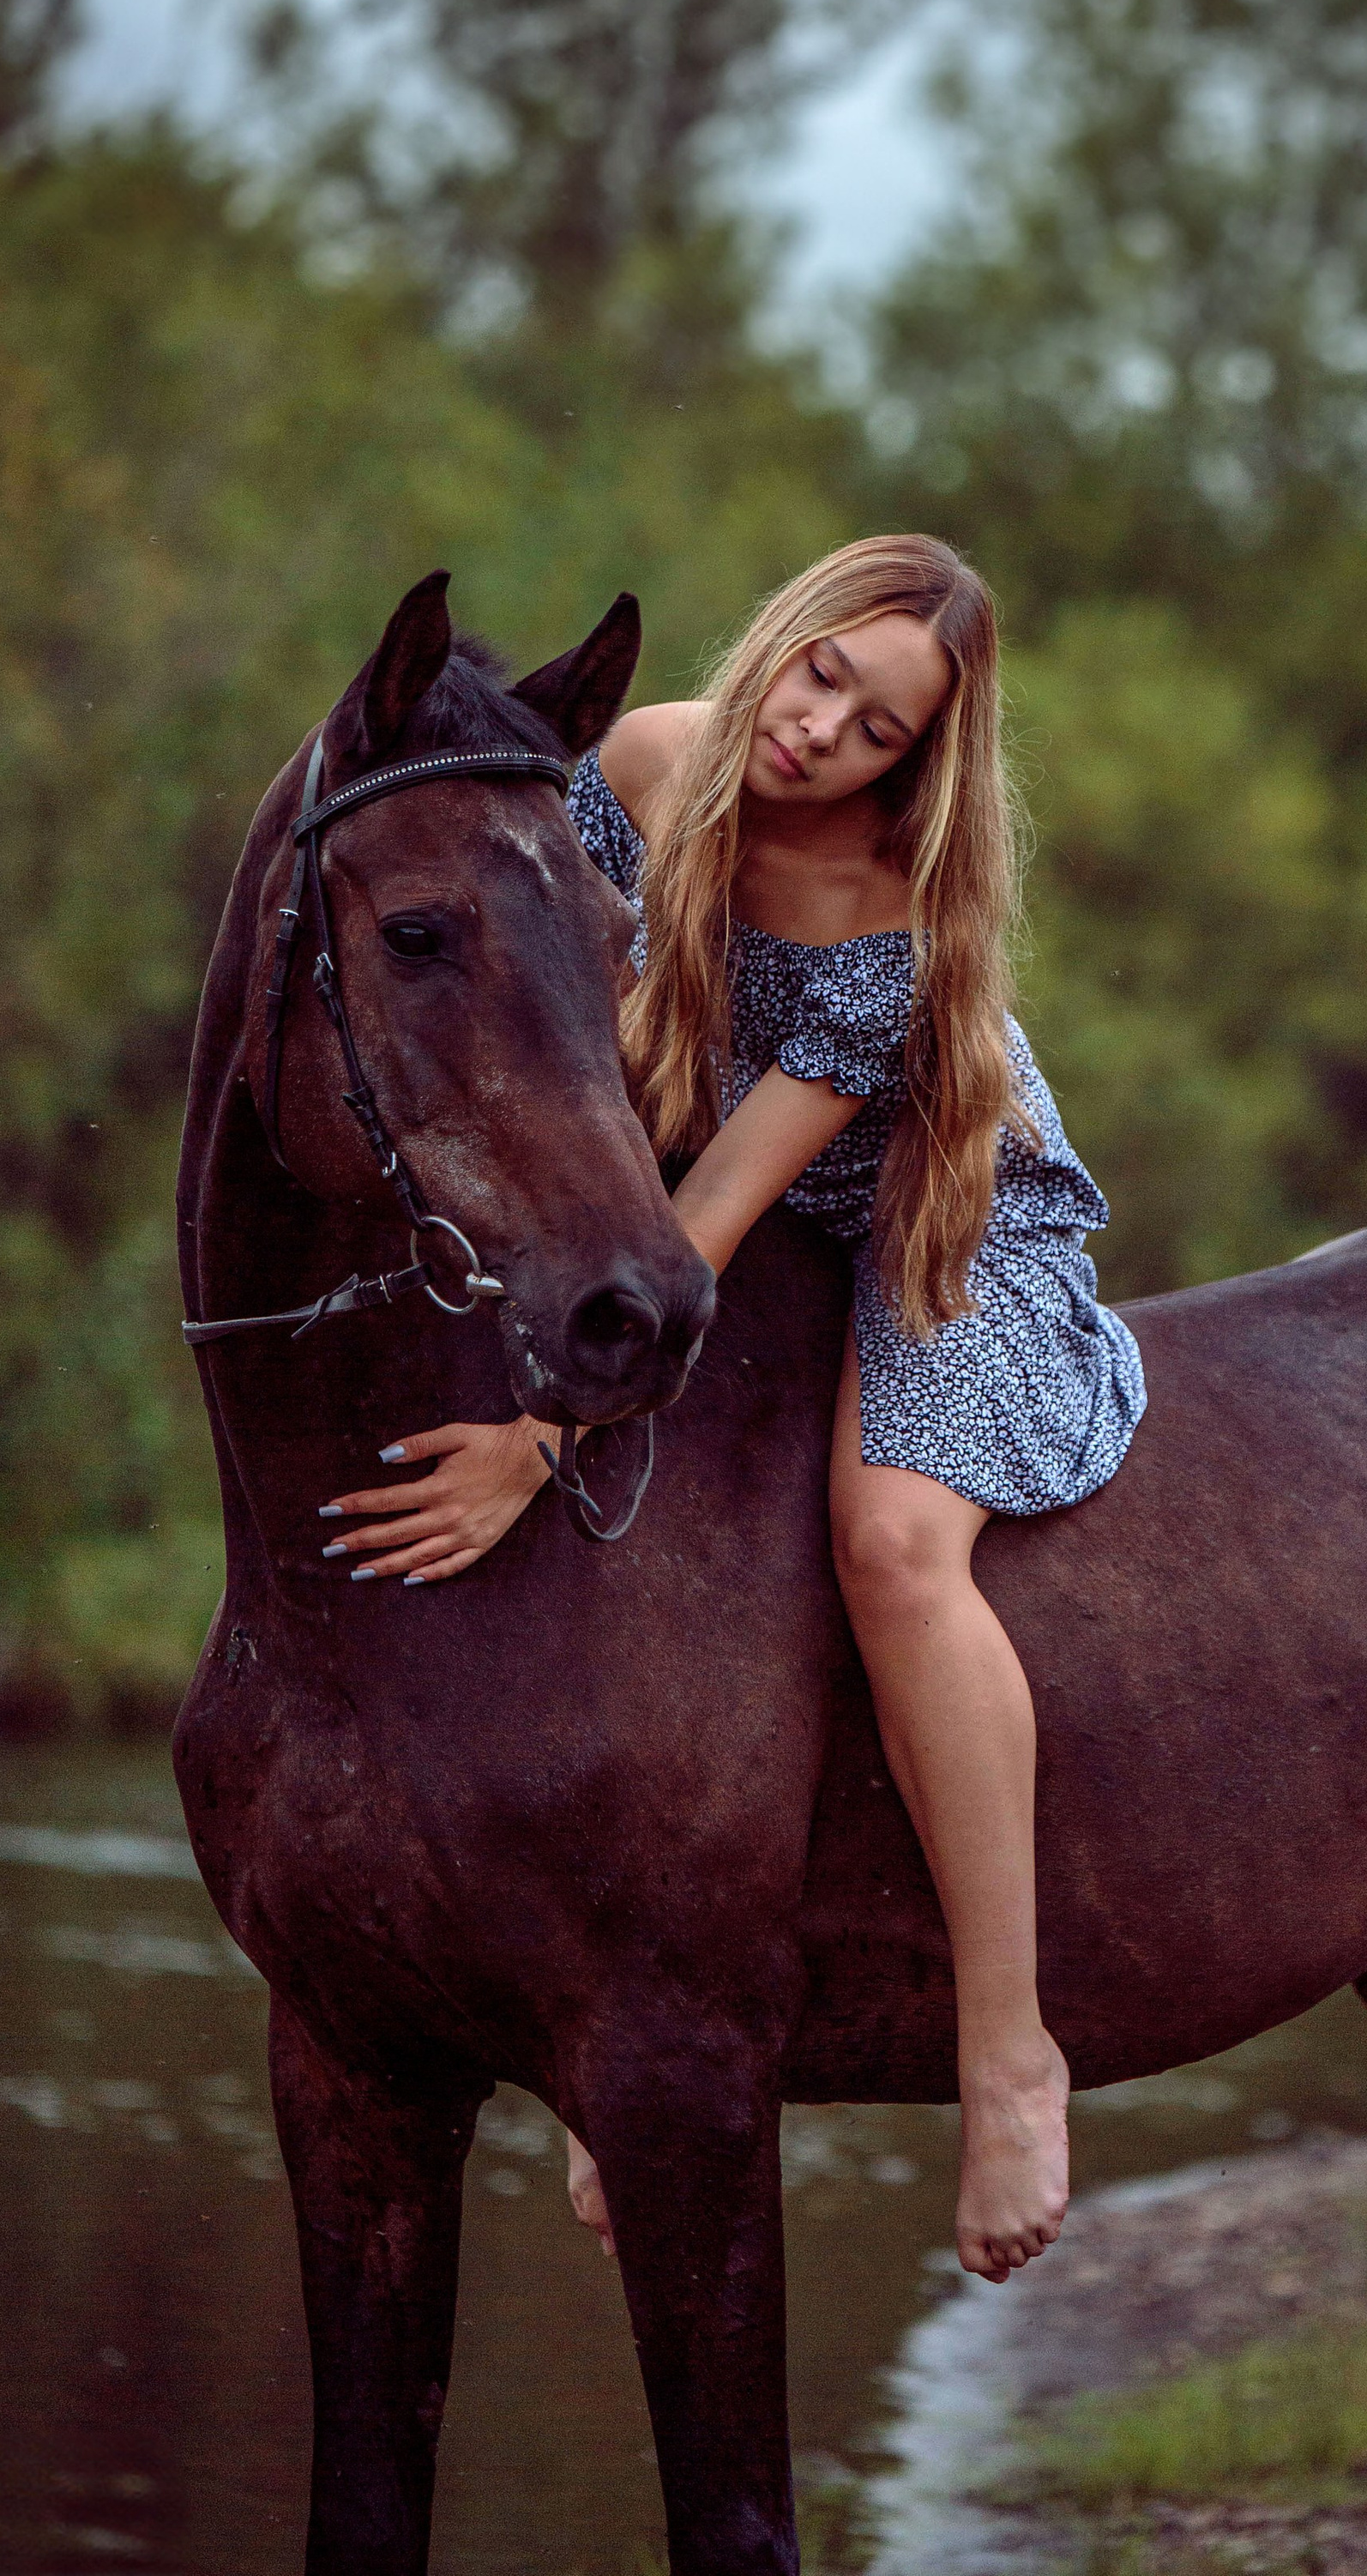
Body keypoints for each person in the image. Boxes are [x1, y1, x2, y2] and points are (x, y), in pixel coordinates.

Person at [313, 535, 1147, 2281]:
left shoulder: (884, 911)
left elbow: (723, 1208)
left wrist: (539, 1447)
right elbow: (560, 1044)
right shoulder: (637, 764)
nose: (820, 732)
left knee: (893, 1543)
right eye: (822, 674)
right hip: (687, 1195)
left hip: (931, 1221)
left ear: (919, 766)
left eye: (878, 728)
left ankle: (1012, 2052)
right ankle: (632, 2049)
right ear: (784, 638)